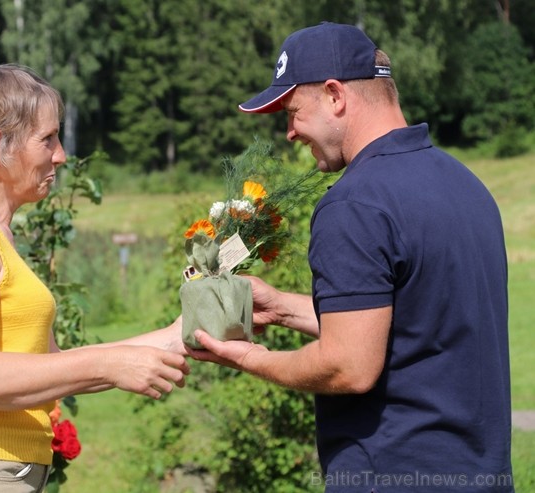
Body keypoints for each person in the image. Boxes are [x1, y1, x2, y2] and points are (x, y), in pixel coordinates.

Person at [187, 22, 513, 492]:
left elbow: (349, 364)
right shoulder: (464, 184)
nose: (290, 132)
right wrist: (279, 307)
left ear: (336, 95)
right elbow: (412, 323)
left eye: (293, 111)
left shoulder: (355, 204)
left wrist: (247, 358)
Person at [0, 64, 189, 493]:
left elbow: (48, 366)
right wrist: (108, 364)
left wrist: (179, 335)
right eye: (47, 139)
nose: (61, 155)